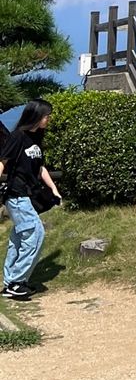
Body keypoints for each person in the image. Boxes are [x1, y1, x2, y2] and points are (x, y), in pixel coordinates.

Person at [0, 100, 61, 301]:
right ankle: (17, 281)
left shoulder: (36, 138)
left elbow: (40, 168)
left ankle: (11, 282)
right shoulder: (18, 137)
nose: (48, 118)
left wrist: (53, 188)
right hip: (17, 195)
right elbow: (3, 162)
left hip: (28, 194)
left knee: (19, 238)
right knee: (35, 234)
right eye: (46, 115)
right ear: (36, 115)